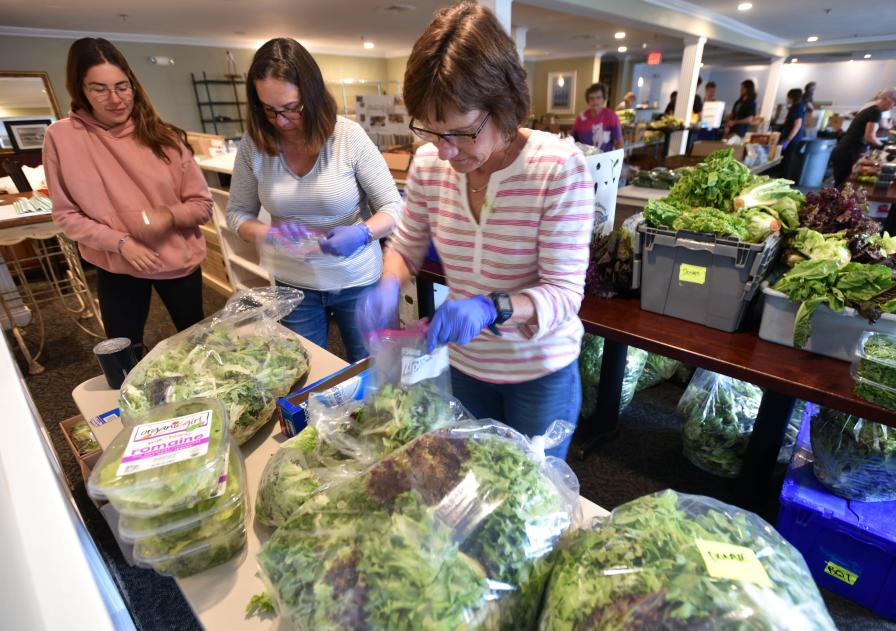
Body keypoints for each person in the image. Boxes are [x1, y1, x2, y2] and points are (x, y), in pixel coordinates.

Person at [359, 1, 594, 458]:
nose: (445, 151)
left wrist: (493, 308)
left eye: (462, 133)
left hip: (538, 371)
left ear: (503, 107)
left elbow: (565, 292)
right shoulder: (429, 164)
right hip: (465, 364)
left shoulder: (557, 168)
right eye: (432, 131)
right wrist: (388, 282)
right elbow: (406, 246)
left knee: (530, 500)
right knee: (469, 479)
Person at [226, 38, 401, 362]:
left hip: (357, 280)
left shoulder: (348, 137)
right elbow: (237, 213)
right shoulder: (254, 143)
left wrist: (363, 232)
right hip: (294, 287)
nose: (280, 121)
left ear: (313, 96)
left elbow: (393, 207)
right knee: (310, 371)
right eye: (269, 109)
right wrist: (268, 234)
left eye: (291, 108)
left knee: (372, 367)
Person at [43, 38, 211, 358]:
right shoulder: (62, 137)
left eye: (122, 86)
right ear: (81, 90)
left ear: (133, 85)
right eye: (100, 89)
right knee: (124, 353)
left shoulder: (165, 136)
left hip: (177, 259)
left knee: (199, 347)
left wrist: (170, 215)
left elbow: (202, 205)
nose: (115, 99)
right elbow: (66, 214)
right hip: (116, 263)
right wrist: (121, 242)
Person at [830, 87, 896, 187]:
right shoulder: (875, 112)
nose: (894, 106)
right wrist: (884, 147)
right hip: (847, 152)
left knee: (842, 189)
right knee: (842, 189)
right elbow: (870, 137)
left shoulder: (873, 110)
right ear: (887, 98)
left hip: (845, 151)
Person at [570, 82, 624, 151]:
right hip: (585, 160)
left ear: (603, 99)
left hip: (605, 159)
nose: (595, 101)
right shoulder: (580, 118)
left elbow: (619, 143)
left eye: (598, 98)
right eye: (591, 98)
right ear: (588, 101)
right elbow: (572, 141)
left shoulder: (611, 116)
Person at [779, 88, 806, 172]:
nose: (787, 99)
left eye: (788, 97)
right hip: (790, 137)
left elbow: (797, 125)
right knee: (784, 160)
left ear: (792, 97)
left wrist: (788, 139)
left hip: (793, 139)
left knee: (788, 161)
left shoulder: (798, 107)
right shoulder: (794, 107)